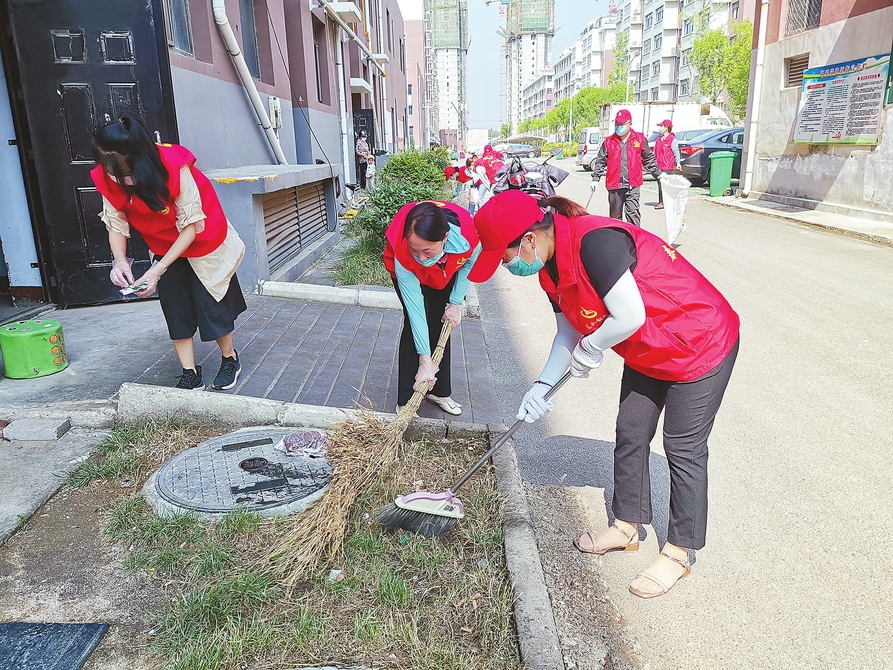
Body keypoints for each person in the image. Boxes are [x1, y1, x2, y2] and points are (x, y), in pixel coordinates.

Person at [471, 190, 739, 599]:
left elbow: (630, 314)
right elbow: (568, 332)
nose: (509, 269)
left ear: (528, 239)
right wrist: (542, 384)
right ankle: (627, 526)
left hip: (700, 341)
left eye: (505, 260)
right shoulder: (549, 269)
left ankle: (679, 551)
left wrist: (594, 347)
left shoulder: (595, 241)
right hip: (649, 348)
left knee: (683, 447)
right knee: (630, 431)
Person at [92, 113, 247, 391]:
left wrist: (156, 270)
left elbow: (190, 227)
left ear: (141, 159)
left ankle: (229, 358)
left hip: (203, 238)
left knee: (210, 303)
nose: (122, 180)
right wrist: (119, 261)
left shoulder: (174, 165)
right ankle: (189, 371)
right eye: (115, 174)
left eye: (126, 174)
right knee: (175, 307)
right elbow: (115, 222)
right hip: (163, 244)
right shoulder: (108, 175)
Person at [383, 201, 482, 416]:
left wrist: (455, 302)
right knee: (415, 325)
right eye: (415, 250)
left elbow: (469, 264)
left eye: (427, 251)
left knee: (441, 321)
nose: (421, 258)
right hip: (407, 273)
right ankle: (406, 400)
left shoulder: (467, 237)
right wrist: (425, 361)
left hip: (445, 270)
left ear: (444, 238)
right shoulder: (403, 253)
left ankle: (439, 391)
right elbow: (416, 311)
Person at [592, 109, 666, 226]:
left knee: (633, 215)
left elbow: (648, 159)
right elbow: (600, 161)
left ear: (629, 124)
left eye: (622, 124)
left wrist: (659, 174)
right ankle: (617, 241)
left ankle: (634, 241)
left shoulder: (639, 139)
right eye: (617, 124)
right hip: (614, 185)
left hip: (633, 185)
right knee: (615, 218)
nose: (619, 127)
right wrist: (595, 179)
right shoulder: (609, 142)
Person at [653, 120, 681, 210]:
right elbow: (655, 152)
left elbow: (676, 152)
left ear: (666, 128)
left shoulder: (672, 140)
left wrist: (678, 163)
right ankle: (662, 201)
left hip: (668, 166)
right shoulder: (658, 139)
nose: (660, 128)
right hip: (659, 165)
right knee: (660, 185)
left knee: (666, 184)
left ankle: (666, 201)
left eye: (662, 126)